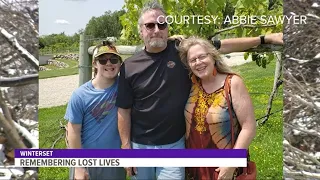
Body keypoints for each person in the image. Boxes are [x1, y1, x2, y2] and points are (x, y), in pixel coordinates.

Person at [116, 1, 283, 180]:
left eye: (162, 24)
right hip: (140, 146)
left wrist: (264, 39)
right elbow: (123, 110)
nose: (156, 29)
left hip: (175, 145)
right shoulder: (129, 67)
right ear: (141, 30)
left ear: (167, 28)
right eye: (150, 25)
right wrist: (126, 148)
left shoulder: (182, 51)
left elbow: (221, 46)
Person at [179, 36, 256, 180]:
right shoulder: (191, 84)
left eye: (202, 57)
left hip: (225, 168)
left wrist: (231, 163)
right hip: (194, 167)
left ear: (213, 56)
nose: (198, 63)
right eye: (193, 60)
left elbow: (249, 126)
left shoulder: (232, 83)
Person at [64, 42, 126, 180]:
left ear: (120, 63)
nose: (109, 63)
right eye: (103, 60)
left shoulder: (125, 87)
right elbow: (73, 131)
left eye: (114, 59)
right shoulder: (80, 95)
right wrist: (79, 166)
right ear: (94, 64)